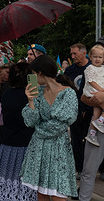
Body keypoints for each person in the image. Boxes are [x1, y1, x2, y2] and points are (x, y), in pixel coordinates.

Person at [21, 54, 78, 199]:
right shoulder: (38, 92)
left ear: (40, 73)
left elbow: (59, 126)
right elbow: (30, 122)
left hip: (59, 151)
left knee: (59, 195)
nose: (32, 77)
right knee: (41, 194)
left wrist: (38, 130)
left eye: (33, 74)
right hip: (39, 151)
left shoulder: (68, 93)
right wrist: (31, 101)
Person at [0, 62, 37, 200]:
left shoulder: (7, 94)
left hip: (7, 144)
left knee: (7, 180)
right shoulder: (30, 96)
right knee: (23, 183)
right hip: (26, 145)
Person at [64, 43, 91, 178]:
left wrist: (87, 108)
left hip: (92, 109)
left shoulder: (93, 67)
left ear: (84, 53)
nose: (73, 57)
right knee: (76, 140)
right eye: (72, 54)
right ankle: (79, 168)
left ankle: (99, 169)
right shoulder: (69, 71)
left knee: (92, 139)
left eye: (75, 54)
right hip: (74, 109)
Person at [83, 45, 104, 146]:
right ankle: (101, 120)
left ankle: (92, 134)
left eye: (100, 57)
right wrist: (101, 91)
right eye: (95, 57)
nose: (97, 59)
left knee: (96, 113)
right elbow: (91, 81)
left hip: (99, 91)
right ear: (90, 57)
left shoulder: (103, 68)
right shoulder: (90, 68)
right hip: (93, 91)